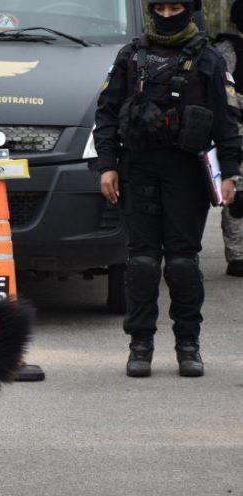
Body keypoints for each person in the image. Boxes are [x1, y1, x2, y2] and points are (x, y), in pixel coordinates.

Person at [94, 0, 241, 378]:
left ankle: (188, 345)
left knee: (182, 263)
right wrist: (107, 165)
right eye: (161, 9)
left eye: (175, 9)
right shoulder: (131, 56)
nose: (167, 16)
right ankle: (140, 344)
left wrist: (230, 173)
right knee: (142, 263)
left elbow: (227, 121)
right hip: (138, 170)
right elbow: (106, 113)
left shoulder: (209, 60)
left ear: (189, 11)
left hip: (187, 174)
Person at [213, 0, 243, 277]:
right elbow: (223, 92)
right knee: (238, 197)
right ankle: (238, 256)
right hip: (236, 131)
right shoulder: (228, 49)